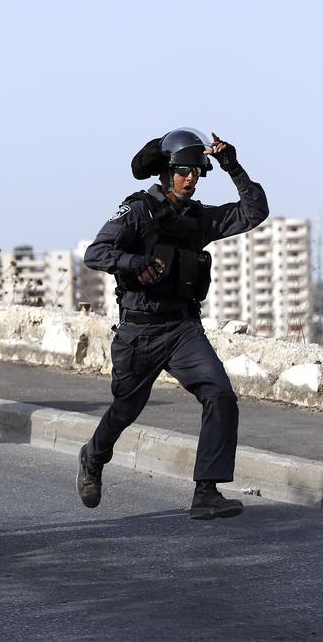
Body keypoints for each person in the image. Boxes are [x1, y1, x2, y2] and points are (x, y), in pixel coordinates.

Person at [77, 129, 269, 520]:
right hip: (140, 331)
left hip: (182, 329)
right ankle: (93, 456)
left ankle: (206, 492)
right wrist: (133, 262)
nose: (190, 179)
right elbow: (96, 253)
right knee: (126, 409)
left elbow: (254, 212)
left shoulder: (199, 219)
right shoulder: (138, 210)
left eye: (197, 172)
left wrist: (232, 165)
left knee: (220, 394)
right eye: (183, 171)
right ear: (166, 172)